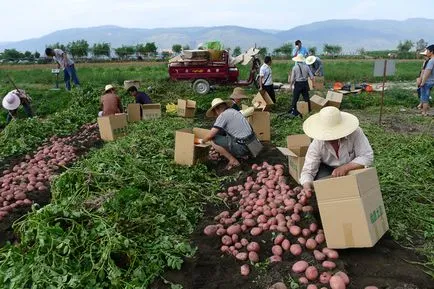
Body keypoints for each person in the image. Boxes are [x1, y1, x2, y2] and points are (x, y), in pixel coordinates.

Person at [299, 106, 374, 193]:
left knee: (362, 187)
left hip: (353, 168)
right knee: (323, 186)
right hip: (329, 170)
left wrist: (345, 168)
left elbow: (367, 156)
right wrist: (307, 186)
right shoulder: (317, 144)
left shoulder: (355, 133)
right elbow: (308, 170)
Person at [201, 98, 256, 170]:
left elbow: (210, 135)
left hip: (244, 148)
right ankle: (243, 155)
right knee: (228, 133)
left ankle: (233, 160)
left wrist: (202, 141)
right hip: (254, 146)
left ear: (217, 109)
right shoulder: (234, 111)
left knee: (213, 140)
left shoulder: (223, 115)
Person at [418, 44, 434, 116]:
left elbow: (427, 72)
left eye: (427, 50)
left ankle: (424, 112)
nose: (426, 52)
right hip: (432, 81)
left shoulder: (431, 61)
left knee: (425, 97)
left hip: (427, 81)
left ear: (432, 52)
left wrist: (422, 82)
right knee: (426, 96)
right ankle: (425, 111)